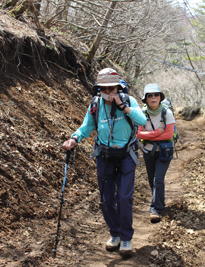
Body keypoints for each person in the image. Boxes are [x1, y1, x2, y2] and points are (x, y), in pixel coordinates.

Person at [62, 68, 147, 256]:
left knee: (124, 198)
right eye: (104, 89)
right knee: (106, 200)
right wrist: (74, 139)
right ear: (98, 89)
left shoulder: (128, 101)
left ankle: (126, 238)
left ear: (118, 87)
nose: (109, 93)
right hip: (104, 156)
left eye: (112, 88)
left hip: (126, 155)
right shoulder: (96, 105)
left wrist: (123, 107)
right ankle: (114, 233)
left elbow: (142, 120)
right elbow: (86, 126)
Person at [137, 84, 176, 223]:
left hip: (164, 150)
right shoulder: (141, 113)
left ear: (160, 97)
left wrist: (148, 135)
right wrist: (157, 132)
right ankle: (160, 201)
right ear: (145, 99)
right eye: (150, 95)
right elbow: (138, 133)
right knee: (152, 180)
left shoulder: (167, 113)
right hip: (148, 150)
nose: (153, 98)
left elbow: (169, 134)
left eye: (156, 95)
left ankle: (156, 209)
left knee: (158, 179)